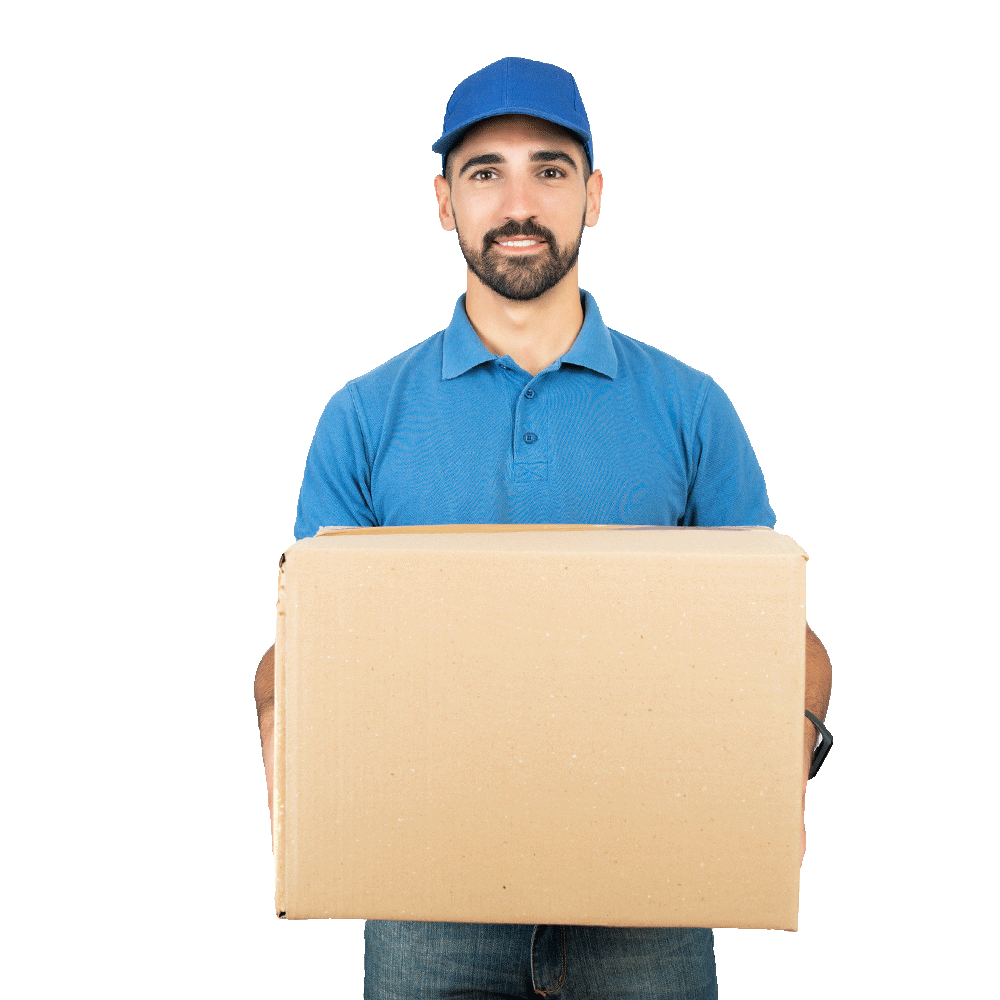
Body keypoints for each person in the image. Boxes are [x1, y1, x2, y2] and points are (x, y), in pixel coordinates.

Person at [254, 56, 833, 1000]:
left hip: (652, 901)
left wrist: (787, 758)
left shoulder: (692, 408)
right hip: (424, 908)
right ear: (444, 201)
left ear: (594, 197)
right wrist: (285, 741)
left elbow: (780, 639)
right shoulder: (362, 416)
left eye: (550, 170)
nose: (518, 202)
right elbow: (308, 654)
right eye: (485, 172)